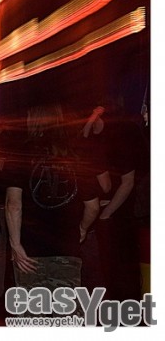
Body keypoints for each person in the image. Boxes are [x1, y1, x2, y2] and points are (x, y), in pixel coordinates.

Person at [4, 104, 99, 314]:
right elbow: (93, 206)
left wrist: (15, 244)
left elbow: (13, 204)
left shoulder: (20, 153)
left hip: (30, 254)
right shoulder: (75, 154)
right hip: (67, 250)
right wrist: (82, 229)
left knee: (32, 317)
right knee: (66, 317)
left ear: (33, 119)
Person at [78, 103, 145, 301]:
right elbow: (83, 137)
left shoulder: (120, 138)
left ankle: (127, 305)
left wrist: (106, 214)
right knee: (109, 265)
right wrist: (91, 119)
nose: (89, 126)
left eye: (93, 120)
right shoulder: (100, 137)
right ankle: (115, 300)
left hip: (123, 211)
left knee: (123, 264)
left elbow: (128, 183)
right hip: (111, 209)